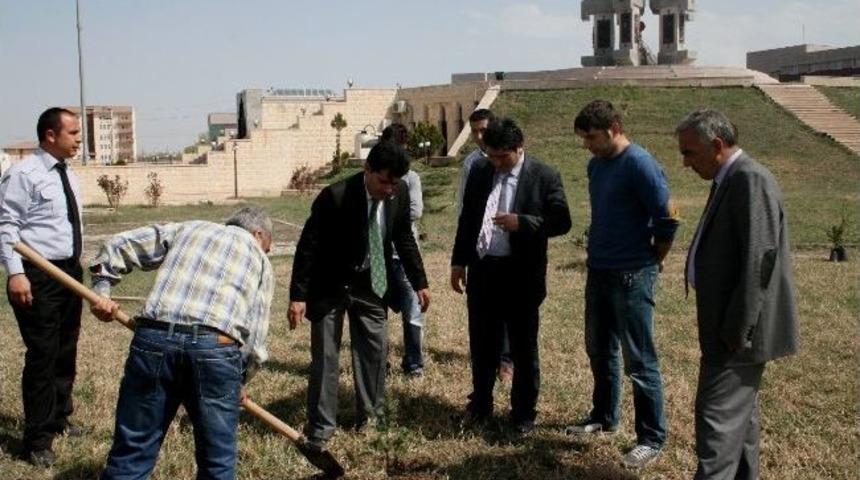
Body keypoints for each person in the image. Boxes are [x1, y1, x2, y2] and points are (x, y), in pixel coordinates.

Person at [88, 206, 275, 480]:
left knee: (132, 451)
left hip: (152, 339)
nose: (267, 251)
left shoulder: (189, 227)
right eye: (268, 246)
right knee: (217, 460)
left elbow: (119, 245)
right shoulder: (259, 259)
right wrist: (240, 379)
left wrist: (101, 290)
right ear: (259, 234)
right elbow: (255, 339)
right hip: (215, 348)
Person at [677, 109, 798, 479]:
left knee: (716, 427)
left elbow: (758, 260)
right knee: (740, 424)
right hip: (728, 327)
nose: (685, 163)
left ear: (716, 145)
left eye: (690, 153)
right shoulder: (731, 178)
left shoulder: (749, 180)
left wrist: (737, 328)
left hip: (735, 336)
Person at [289, 140, 430, 449]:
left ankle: (371, 415)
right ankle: (322, 426)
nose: (389, 189)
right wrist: (298, 295)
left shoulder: (399, 193)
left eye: (394, 183)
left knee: (374, 351)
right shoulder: (335, 196)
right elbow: (308, 247)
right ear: (367, 170)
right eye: (383, 181)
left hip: (371, 283)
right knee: (326, 358)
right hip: (330, 285)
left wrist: (419, 280)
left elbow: (404, 237)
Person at [568, 99, 679, 469]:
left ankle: (651, 437)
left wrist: (655, 259)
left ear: (614, 127)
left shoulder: (641, 164)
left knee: (639, 359)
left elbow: (667, 217)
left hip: (633, 273)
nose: (588, 145)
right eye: (584, 139)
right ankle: (604, 416)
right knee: (599, 349)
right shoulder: (596, 165)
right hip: (600, 270)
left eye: (593, 137)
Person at [451, 117, 571, 433]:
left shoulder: (544, 176)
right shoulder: (480, 172)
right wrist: (458, 261)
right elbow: (468, 219)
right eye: (491, 156)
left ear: (520, 148)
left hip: (521, 275)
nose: (497, 163)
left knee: (522, 347)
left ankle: (523, 414)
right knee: (482, 344)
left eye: (503, 157)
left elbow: (562, 221)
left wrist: (524, 222)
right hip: (484, 269)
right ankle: (481, 405)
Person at [0, 107, 85, 467]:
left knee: (65, 351)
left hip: (69, 274)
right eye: (73, 134)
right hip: (37, 276)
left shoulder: (67, 174)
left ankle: (59, 418)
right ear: (51, 135)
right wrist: (15, 273)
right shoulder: (24, 174)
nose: (79, 140)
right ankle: (37, 440)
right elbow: (6, 225)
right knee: (43, 356)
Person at [456, 108, 514, 383]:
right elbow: (465, 210)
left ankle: (506, 359)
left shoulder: (515, 161)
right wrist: (462, 253)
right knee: (481, 312)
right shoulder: (473, 164)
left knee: (506, 310)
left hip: (508, 249)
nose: (480, 136)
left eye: (484, 130)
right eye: (475, 131)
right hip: (481, 247)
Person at [380, 124, 426, 376]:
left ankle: (414, 364)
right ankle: (380, 363)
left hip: (403, 256)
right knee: (379, 316)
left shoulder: (411, 178)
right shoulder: (374, 174)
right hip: (380, 257)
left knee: (412, 313)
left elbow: (415, 211)